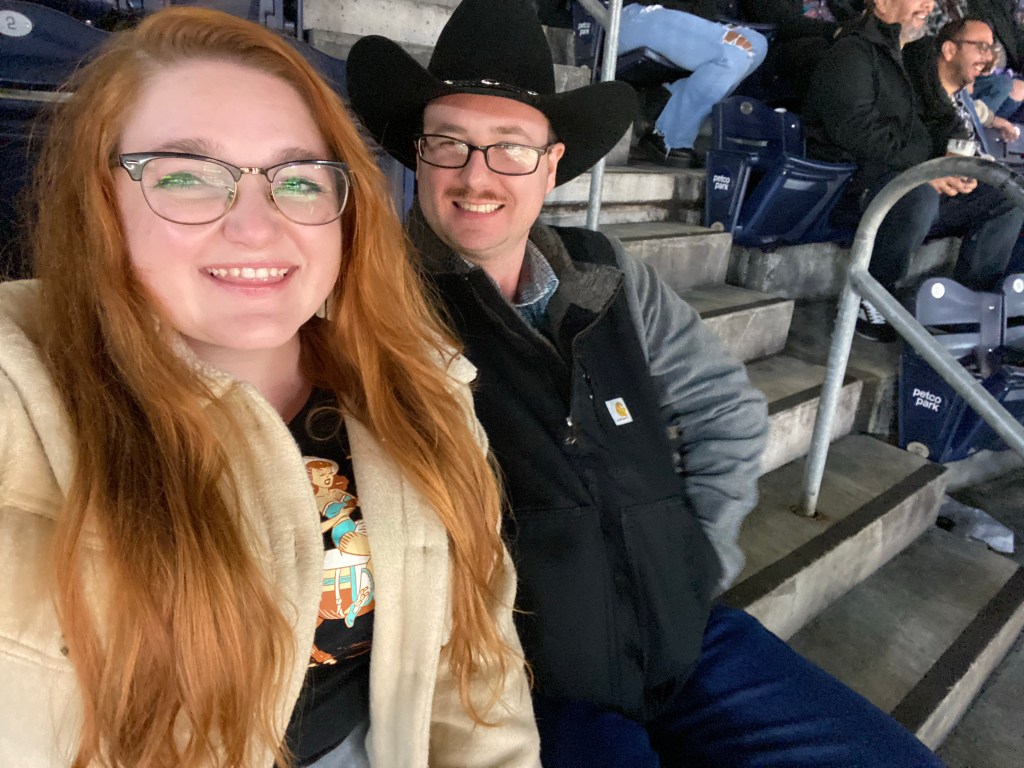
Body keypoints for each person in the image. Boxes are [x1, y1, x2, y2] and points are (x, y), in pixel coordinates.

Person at [346, 0, 947, 764]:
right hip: (532, 684)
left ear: (553, 164)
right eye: (449, 144)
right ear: (416, 155)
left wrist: (694, 565)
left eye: (510, 148)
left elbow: (727, 410)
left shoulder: (607, 271)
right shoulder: (374, 307)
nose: (476, 177)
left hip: (687, 635)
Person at [0, 8, 541, 767]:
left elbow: (477, 677)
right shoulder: (22, 388)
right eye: (185, 176)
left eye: (298, 178)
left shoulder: (421, 388)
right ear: (101, 207)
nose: (257, 227)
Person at [804, 0, 1024, 342]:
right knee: (917, 193)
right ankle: (871, 298)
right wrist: (923, 171)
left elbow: (935, 118)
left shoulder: (910, 56)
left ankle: (969, 305)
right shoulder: (851, 51)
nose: (929, 4)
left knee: (1003, 194)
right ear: (881, 3)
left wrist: (954, 156)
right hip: (855, 184)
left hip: (911, 177)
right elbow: (855, 130)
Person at [615, 1, 769, 166]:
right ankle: (669, 137)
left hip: (682, 16)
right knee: (734, 52)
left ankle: (664, 103)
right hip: (632, 15)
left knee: (757, 44)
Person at [905, 16, 1021, 157]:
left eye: (990, 49)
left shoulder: (958, 91)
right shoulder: (927, 112)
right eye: (982, 48)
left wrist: (994, 121)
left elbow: (970, 106)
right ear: (950, 50)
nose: (990, 58)